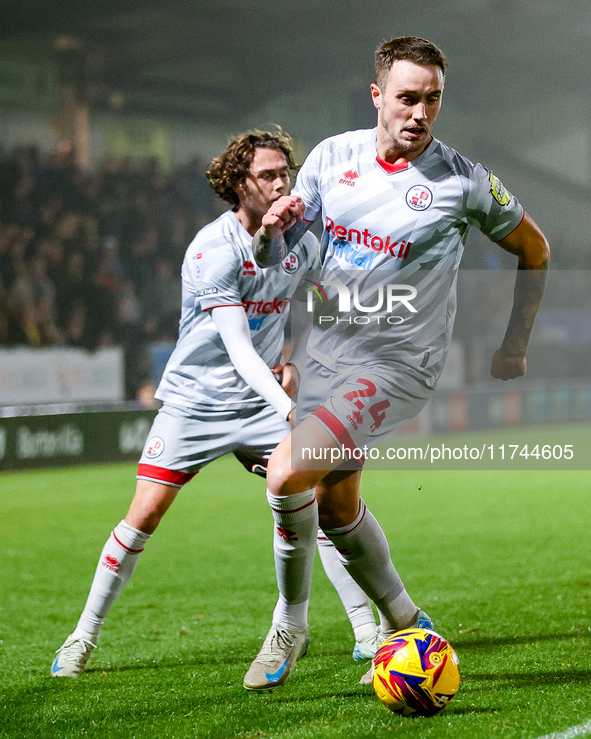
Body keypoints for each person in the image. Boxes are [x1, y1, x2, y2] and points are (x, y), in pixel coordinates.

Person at [243, 36, 550, 690]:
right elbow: (283, 261)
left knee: (285, 473)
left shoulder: (462, 181)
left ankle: (290, 623)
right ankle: (410, 623)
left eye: (431, 100)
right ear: (377, 95)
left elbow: (535, 247)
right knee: (334, 503)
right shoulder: (330, 159)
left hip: (397, 364)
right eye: (407, 98)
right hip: (331, 352)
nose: (419, 113)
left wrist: (514, 341)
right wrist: (271, 232)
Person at [51, 129, 379, 677]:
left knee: (319, 493)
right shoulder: (212, 248)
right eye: (267, 175)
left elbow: (320, 311)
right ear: (237, 184)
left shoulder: (302, 242)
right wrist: (289, 402)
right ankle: (82, 637)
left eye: (285, 174)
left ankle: (364, 630)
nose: (281, 184)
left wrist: (299, 359)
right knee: (144, 515)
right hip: (196, 403)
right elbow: (238, 346)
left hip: (264, 405)